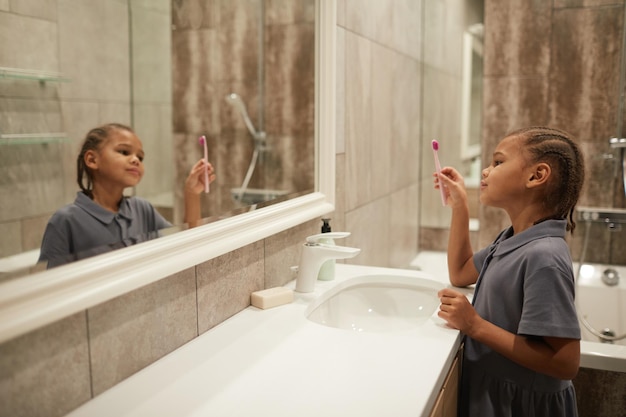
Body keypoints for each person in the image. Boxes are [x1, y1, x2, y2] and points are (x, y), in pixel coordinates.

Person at [434, 126, 584, 417]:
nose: (486, 171)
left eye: (498, 162)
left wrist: (474, 325)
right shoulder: (513, 238)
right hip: (495, 391)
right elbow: (461, 272)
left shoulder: (544, 256)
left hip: (521, 405)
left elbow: (566, 363)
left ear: (536, 176)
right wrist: (460, 204)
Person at [39, 123, 215, 268]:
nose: (135, 160)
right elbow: (50, 290)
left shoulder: (141, 209)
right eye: (124, 152)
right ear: (92, 160)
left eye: (140, 157)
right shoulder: (66, 221)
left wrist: (192, 193)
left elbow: (186, 247)